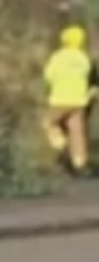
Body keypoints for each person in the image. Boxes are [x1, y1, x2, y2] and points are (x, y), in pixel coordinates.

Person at [43, 25, 95, 176]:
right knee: (76, 131)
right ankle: (80, 163)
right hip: (79, 100)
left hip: (60, 98)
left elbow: (48, 76)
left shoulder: (58, 57)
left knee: (48, 122)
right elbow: (87, 77)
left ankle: (60, 143)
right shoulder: (83, 58)